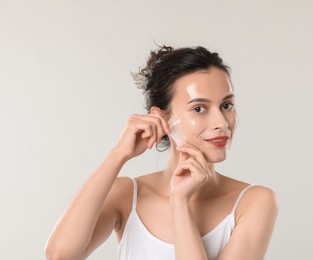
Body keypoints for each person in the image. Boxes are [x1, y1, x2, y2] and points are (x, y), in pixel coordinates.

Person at [45, 45, 279, 260]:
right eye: (199, 108)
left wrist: (180, 202)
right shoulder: (127, 195)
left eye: (226, 105)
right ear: (162, 117)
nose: (221, 123)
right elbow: (60, 255)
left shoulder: (254, 202)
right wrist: (118, 155)